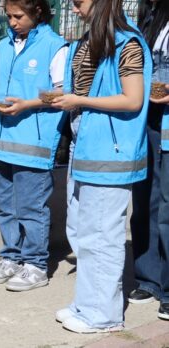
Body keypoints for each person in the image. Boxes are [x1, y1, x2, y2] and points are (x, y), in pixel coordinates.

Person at [50, 0, 152, 333]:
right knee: (84, 232)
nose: (75, 8)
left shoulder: (128, 43)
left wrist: (79, 101)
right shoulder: (87, 41)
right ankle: (87, 304)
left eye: (78, 2)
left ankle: (104, 316)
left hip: (111, 151)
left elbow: (132, 99)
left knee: (103, 234)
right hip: (86, 147)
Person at [0, 0, 67, 291]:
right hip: (1, 140)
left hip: (33, 142)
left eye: (19, 16)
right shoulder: (4, 45)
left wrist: (28, 104)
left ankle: (36, 264)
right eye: (8, 16)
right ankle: (11, 258)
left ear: (37, 12)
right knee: (6, 206)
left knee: (31, 207)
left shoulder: (56, 46)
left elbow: (64, 94)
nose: (13, 21)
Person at [129, 0, 169, 321]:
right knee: (144, 200)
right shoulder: (145, 19)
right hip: (147, 120)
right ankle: (148, 278)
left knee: (167, 206)